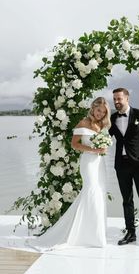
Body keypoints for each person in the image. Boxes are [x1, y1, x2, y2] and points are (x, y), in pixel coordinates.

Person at [26, 97, 111, 251]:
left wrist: (103, 149)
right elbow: (74, 144)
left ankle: (96, 233)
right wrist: (94, 149)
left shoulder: (102, 124)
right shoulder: (83, 123)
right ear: (93, 108)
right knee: (90, 191)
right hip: (89, 162)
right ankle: (83, 235)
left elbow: (104, 142)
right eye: (99, 110)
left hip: (100, 163)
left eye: (103, 112)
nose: (100, 114)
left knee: (99, 192)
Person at [109, 88, 139, 249]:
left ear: (127, 98)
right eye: (114, 99)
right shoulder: (113, 118)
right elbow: (103, 136)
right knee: (127, 200)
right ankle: (131, 233)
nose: (116, 101)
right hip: (121, 165)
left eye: (119, 99)